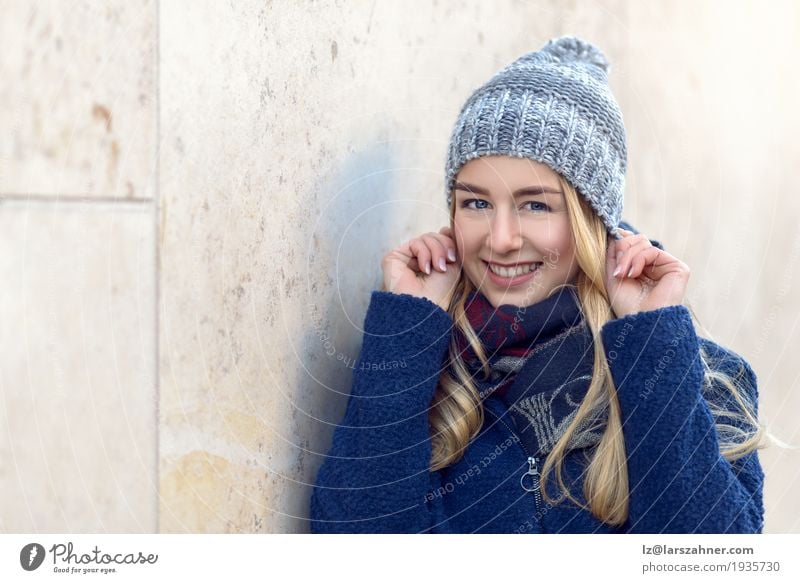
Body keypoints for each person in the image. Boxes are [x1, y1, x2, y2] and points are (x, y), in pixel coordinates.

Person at [309, 35, 766, 534]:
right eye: (476, 203)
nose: (501, 240)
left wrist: (649, 345)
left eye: (536, 205)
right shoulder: (426, 366)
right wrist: (405, 334)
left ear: (593, 220)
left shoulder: (700, 376)